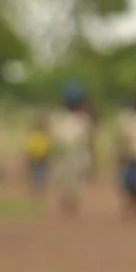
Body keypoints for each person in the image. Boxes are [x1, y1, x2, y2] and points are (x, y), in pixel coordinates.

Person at [47, 89, 95, 217]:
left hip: (77, 153)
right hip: (63, 153)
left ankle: (72, 203)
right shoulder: (59, 118)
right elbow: (54, 138)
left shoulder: (83, 119)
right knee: (63, 178)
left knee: (75, 179)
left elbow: (87, 139)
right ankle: (66, 202)